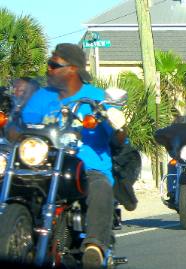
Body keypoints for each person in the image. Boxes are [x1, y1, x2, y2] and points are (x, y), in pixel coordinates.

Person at [19, 43, 125, 269]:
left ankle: (94, 247)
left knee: (100, 185)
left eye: (53, 65)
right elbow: (23, 125)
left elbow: (118, 140)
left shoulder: (97, 98)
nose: (48, 69)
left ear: (73, 69)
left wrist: (117, 124)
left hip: (86, 167)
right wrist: (12, 126)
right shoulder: (41, 97)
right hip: (44, 165)